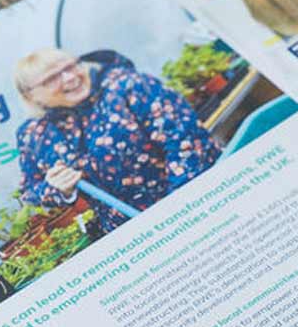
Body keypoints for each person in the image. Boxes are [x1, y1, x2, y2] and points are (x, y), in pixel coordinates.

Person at [14, 48, 222, 227]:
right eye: (52, 78)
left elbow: (187, 144)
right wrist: (58, 188)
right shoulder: (34, 135)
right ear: (31, 95)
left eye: (71, 66)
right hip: (130, 232)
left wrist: (179, 210)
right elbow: (30, 191)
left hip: (194, 204)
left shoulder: (129, 87)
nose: (70, 77)